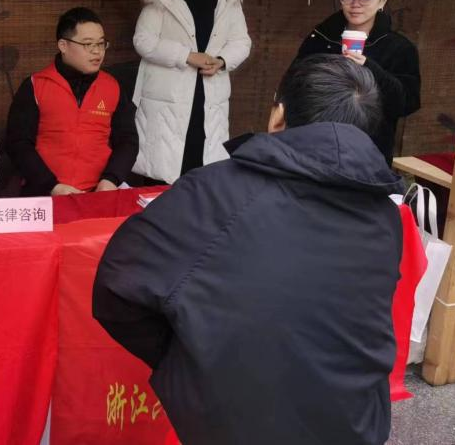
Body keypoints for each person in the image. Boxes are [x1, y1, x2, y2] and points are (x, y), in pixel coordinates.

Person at [93, 54, 404, 446]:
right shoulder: (386, 214)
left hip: (237, 425)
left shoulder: (213, 191)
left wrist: (191, 359)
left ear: (278, 116)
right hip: (357, 424)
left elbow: (115, 284)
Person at [132, 0, 251, 184]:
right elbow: (143, 40)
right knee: (166, 169)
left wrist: (221, 61)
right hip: (168, 97)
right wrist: (186, 56)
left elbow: (241, 42)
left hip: (210, 93)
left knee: (204, 167)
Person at [296, 0, 420, 164]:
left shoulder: (399, 48)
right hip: (315, 149)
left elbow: (407, 103)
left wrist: (370, 69)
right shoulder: (321, 37)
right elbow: (294, 84)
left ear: (383, 0)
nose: (356, 4)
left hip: (369, 155)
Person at [5, 7, 138, 196]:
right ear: (63, 45)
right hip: (45, 193)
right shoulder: (35, 85)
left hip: (98, 193)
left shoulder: (112, 87)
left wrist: (111, 179)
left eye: (101, 44)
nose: (97, 52)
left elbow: (128, 141)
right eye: (87, 44)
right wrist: (51, 186)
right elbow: (18, 143)